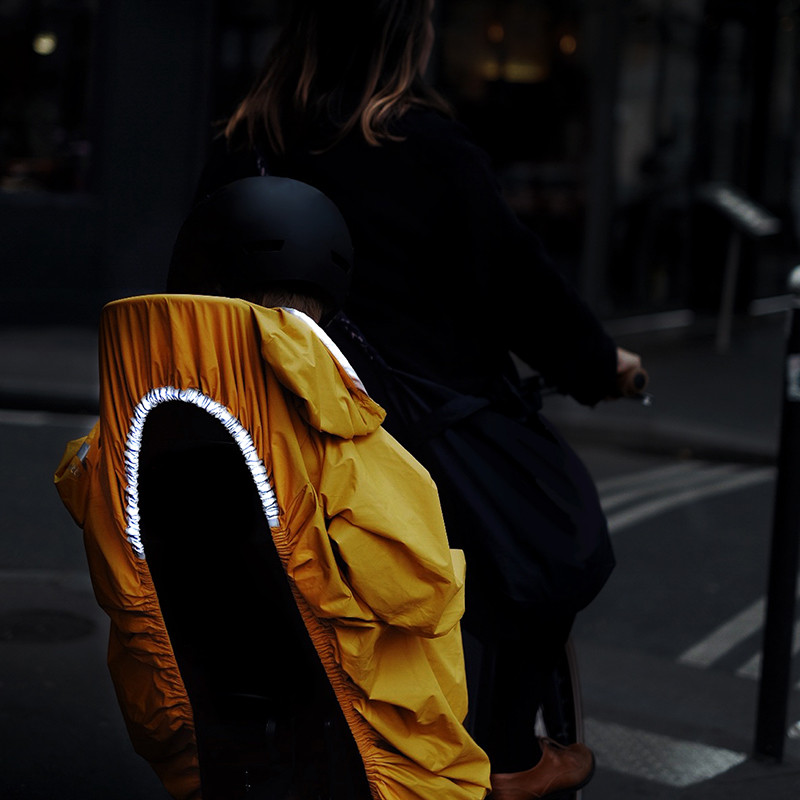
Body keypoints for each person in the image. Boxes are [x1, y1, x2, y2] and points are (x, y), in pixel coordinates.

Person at [186, 2, 644, 798]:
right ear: (405, 36)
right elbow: (519, 286)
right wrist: (604, 364)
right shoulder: (425, 146)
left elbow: (191, 296)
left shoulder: (241, 148)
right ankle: (504, 756)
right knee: (551, 529)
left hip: (265, 443)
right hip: (406, 447)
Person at [54, 176, 491, 800]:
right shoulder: (342, 441)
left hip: (205, 707)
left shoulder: (123, 433)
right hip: (340, 722)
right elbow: (417, 592)